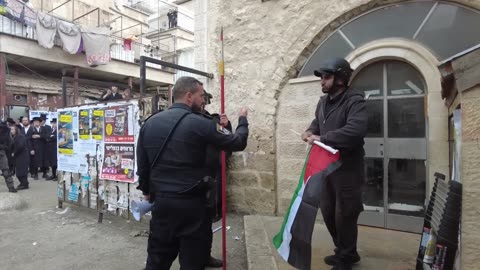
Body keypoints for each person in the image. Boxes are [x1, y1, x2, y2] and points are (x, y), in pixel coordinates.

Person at [136, 76, 249, 270]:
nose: (204, 100)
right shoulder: (202, 123)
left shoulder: (150, 123)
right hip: (192, 206)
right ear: (189, 96)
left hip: (162, 204)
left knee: (157, 260)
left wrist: (147, 192)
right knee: (192, 261)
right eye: (201, 95)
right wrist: (243, 120)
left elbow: (143, 165)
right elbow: (238, 142)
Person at [301, 58, 367, 270]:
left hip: (348, 168)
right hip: (327, 167)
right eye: (322, 77)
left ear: (341, 79)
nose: (322, 81)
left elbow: (355, 131)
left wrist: (322, 138)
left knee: (345, 214)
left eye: (327, 77)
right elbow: (316, 123)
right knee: (328, 211)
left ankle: (346, 258)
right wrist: (310, 131)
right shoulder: (323, 102)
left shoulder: (355, 101)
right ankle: (345, 251)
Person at [199, 90, 232, 268]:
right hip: (187, 179)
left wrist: (226, 126)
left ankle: (205, 256)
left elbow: (228, 139)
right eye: (202, 99)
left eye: (205, 100)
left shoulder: (212, 121)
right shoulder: (181, 120)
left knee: (206, 221)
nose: (204, 103)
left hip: (208, 178)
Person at [10, 125, 30, 190]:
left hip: (22, 156)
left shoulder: (20, 137)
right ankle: (24, 183)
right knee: (19, 171)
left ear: (16, 130)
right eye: (11, 130)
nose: (11, 131)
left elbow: (20, 146)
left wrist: (14, 153)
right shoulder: (13, 137)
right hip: (18, 157)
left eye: (13, 129)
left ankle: (24, 184)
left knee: (21, 172)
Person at [0, 122, 16, 193]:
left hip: (2, 153)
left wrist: (4, 147)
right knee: (6, 171)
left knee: (6, 171)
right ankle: (11, 187)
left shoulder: (5, 130)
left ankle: (11, 187)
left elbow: (10, 143)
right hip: (2, 152)